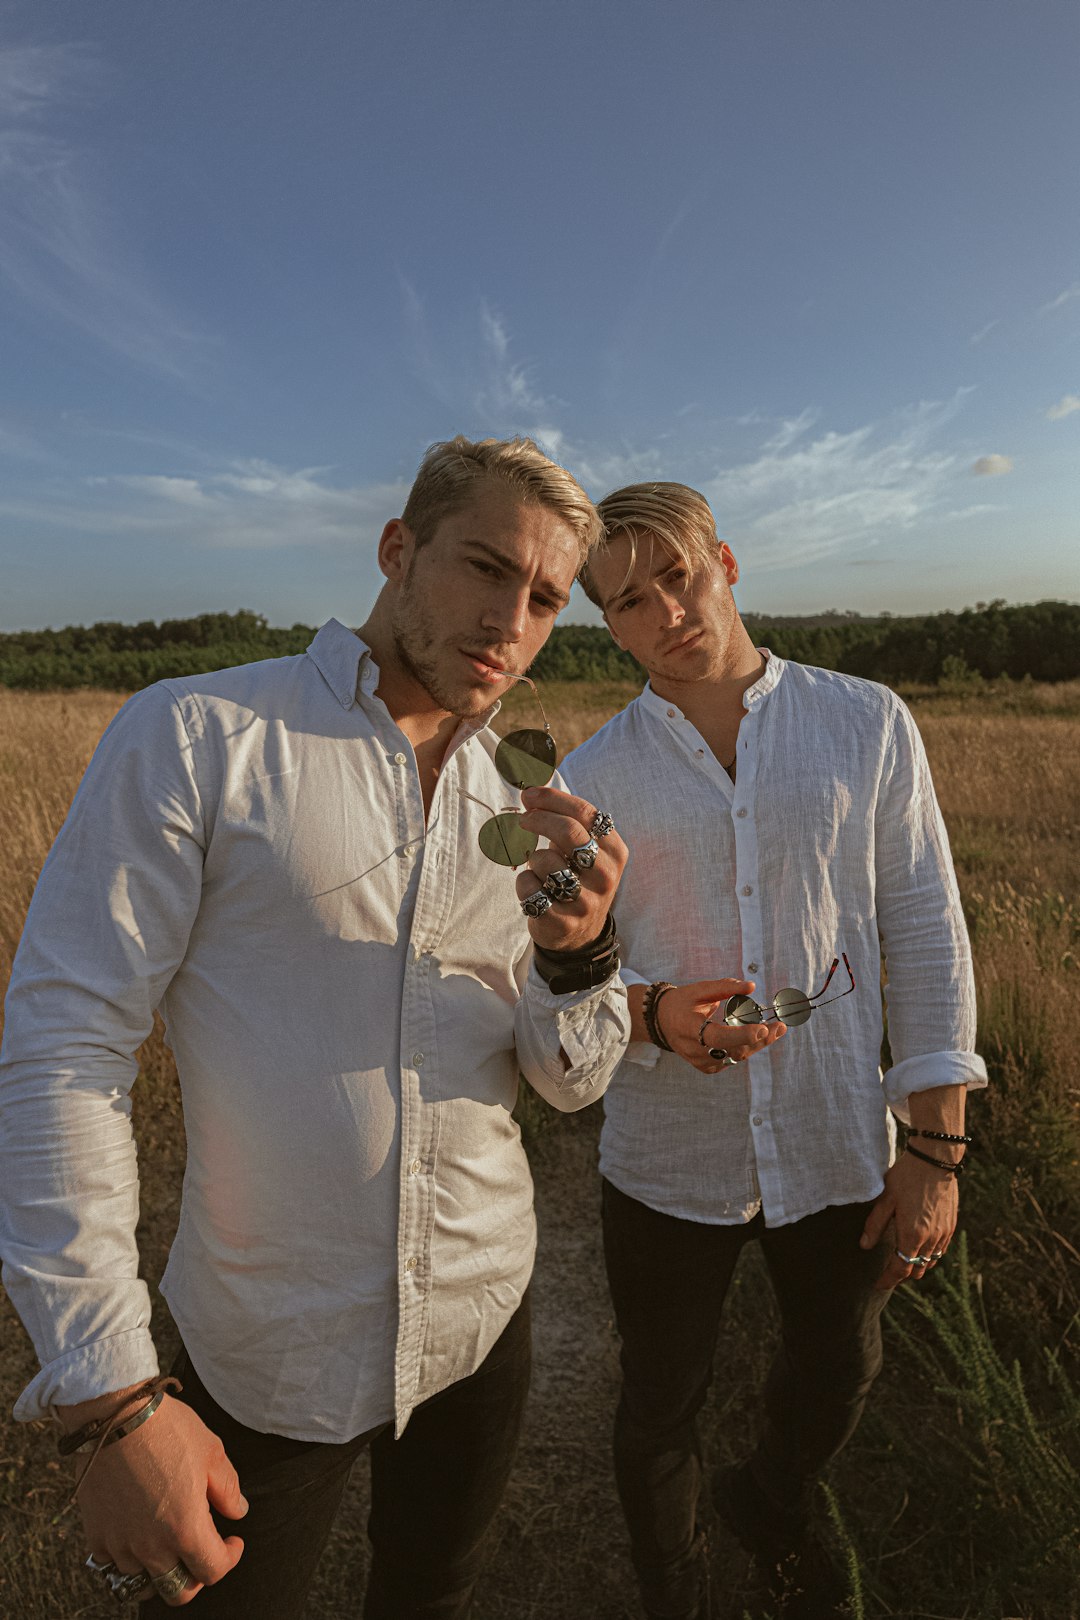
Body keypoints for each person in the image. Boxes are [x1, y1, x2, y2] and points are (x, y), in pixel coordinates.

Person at [0, 436, 633, 1618]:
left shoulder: (519, 800)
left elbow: (565, 1084)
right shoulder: (200, 736)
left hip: (480, 1322)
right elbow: (63, 1049)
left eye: (545, 598)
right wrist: (113, 1395)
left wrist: (579, 955)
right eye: (484, 568)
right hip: (267, 1349)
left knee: (434, 1592)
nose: (510, 622)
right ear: (398, 552)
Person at [562, 482, 988, 1620]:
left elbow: (925, 935)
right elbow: (566, 972)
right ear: (607, 621)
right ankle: (677, 1591)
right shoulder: (592, 776)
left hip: (837, 1136)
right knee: (659, 1404)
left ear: (728, 561)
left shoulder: (868, 721)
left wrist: (935, 1151)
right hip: (666, 1152)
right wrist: (653, 1016)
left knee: (840, 1364)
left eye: (678, 577)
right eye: (626, 601)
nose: (663, 613)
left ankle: (769, 1495)